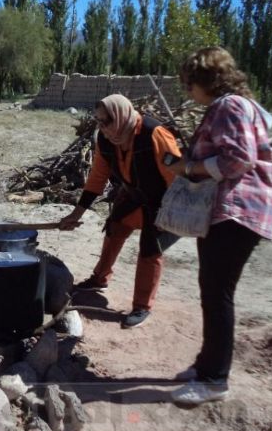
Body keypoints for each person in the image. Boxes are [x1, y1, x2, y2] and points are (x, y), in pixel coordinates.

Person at [168, 47, 272, 405]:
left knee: (217, 295)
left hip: (236, 213)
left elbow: (238, 159)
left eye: (189, 83)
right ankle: (206, 366)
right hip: (237, 214)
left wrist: (189, 169)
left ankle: (214, 380)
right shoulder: (244, 106)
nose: (188, 92)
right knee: (213, 292)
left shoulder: (228, 106)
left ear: (205, 80)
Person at [59, 94, 181, 328]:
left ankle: (142, 306)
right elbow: (97, 178)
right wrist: (76, 215)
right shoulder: (106, 140)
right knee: (115, 228)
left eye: (107, 121)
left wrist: (170, 214)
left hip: (164, 201)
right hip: (134, 195)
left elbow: (176, 177)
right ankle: (99, 279)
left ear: (121, 115)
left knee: (149, 249)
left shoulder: (153, 134)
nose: (103, 128)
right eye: (99, 122)